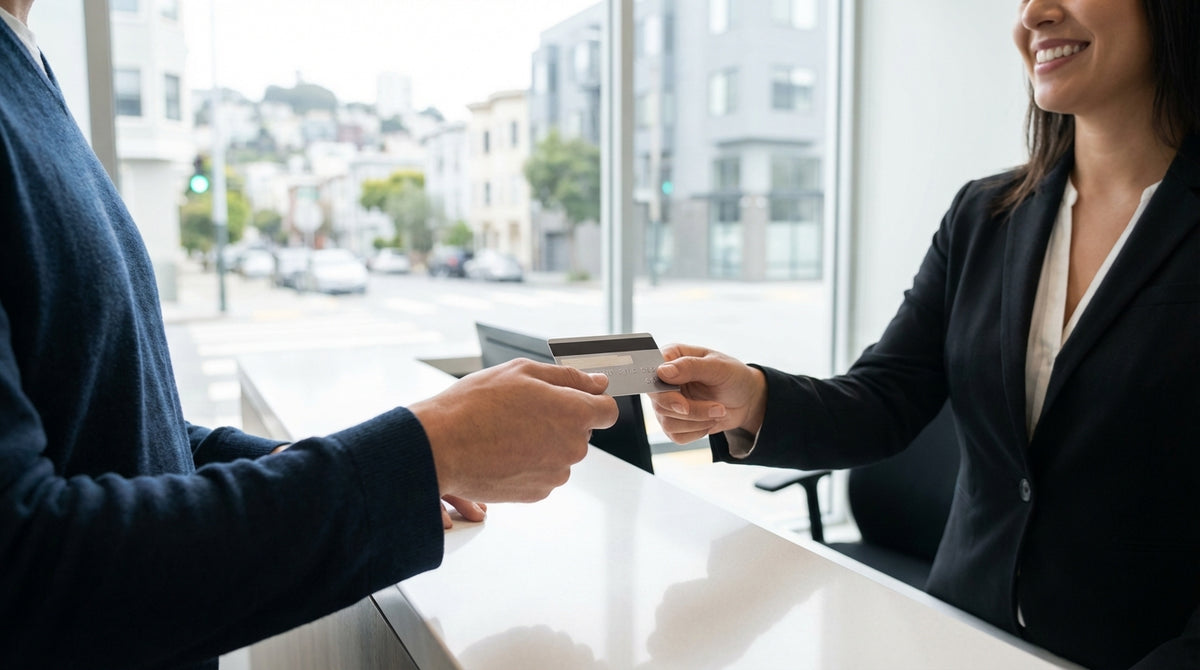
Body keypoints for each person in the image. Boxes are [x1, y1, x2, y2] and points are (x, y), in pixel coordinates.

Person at [0, 3, 618, 669]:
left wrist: (324, 464)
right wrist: (422, 451)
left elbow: (103, 428)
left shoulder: (22, 63)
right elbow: (24, 566)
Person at [649, 1, 1198, 669]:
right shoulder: (984, 217)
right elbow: (889, 395)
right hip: (956, 634)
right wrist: (753, 399)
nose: (1035, 14)